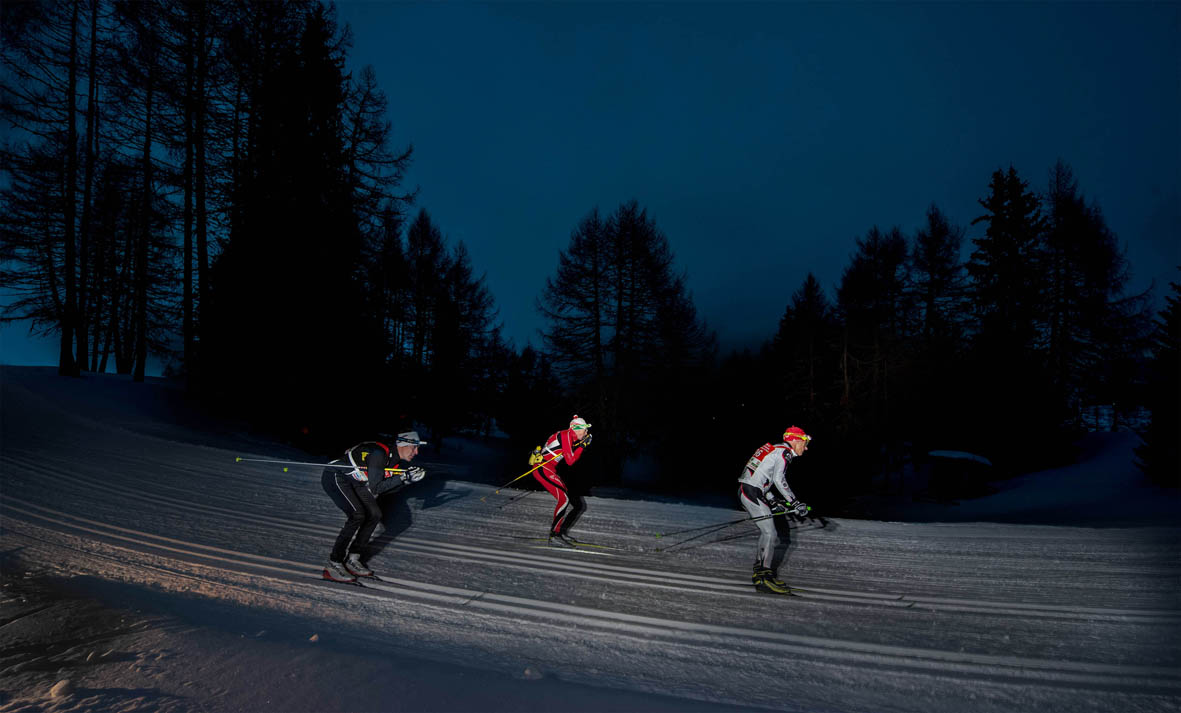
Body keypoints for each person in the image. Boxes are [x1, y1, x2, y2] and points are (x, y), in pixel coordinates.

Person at [322, 431, 427, 582]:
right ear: (402, 444)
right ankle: (334, 563)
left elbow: (386, 489)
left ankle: (353, 558)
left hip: (355, 482)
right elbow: (376, 488)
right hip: (336, 476)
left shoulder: (394, 461)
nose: (416, 452)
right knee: (357, 515)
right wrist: (402, 477)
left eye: (417, 448)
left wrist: (406, 480)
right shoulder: (380, 455)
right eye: (414, 447)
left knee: (374, 514)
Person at [737, 426, 811, 594]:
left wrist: (771, 499)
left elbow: (760, 475)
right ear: (795, 440)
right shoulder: (783, 452)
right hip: (751, 491)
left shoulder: (776, 449)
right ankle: (763, 577)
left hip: (750, 489)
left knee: (769, 533)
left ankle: (762, 574)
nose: (805, 448)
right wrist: (794, 502)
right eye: (804, 443)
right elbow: (778, 479)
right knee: (770, 533)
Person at [532, 415, 592, 545]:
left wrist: (581, 444)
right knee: (564, 499)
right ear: (577, 429)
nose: (586, 433)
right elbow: (570, 461)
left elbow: (568, 453)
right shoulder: (566, 435)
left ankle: (560, 532)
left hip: (549, 469)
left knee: (567, 499)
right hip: (542, 468)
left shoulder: (569, 436)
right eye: (585, 430)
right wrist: (583, 446)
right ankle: (555, 535)